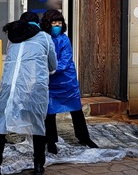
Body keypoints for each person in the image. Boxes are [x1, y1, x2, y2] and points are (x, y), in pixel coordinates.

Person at [0, 17, 57, 175]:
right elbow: (53, 65)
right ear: (37, 23)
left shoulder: (12, 37)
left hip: (10, 86)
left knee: (1, 124)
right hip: (34, 86)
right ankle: (38, 166)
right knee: (37, 123)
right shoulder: (44, 37)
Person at [38, 10, 98, 154]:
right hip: (51, 82)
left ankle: (84, 137)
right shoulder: (43, 39)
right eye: (54, 23)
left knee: (76, 109)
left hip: (66, 80)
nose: (57, 26)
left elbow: (65, 61)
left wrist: (51, 69)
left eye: (59, 23)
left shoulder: (64, 40)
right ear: (48, 24)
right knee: (49, 112)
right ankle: (51, 141)